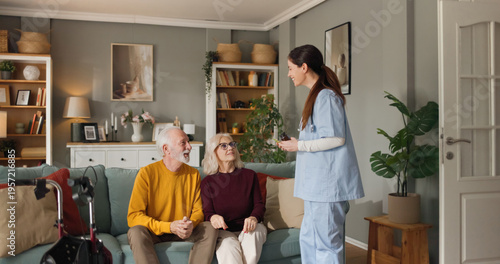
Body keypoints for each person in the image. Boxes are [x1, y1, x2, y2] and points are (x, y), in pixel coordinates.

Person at [278, 44, 365, 264]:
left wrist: (300, 146)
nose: (289, 73)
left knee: (326, 244)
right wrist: (299, 142)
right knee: (309, 239)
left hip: (326, 187)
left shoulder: (326, 97)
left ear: (304, 67)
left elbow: (337, 138)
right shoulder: (315, 97)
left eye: (290, 68)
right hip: (315, 187)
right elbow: (319, 137)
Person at [127, 127, 217, 264]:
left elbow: (199, 211)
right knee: (135, 232)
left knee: (209, 228)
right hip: (155, 231)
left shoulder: (193, 174)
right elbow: (133, 217)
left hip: (184, 231)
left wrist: (190, 224)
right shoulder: (146, 173)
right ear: (166, 149)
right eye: (183, 143)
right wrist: (168, 227)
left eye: (188, 142)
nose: (189, 147)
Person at [201, 133, 266, 264]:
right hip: (224, 232)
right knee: (228, 248)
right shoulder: (208, 182)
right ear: (214, 152)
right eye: (223, 146)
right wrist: (213, 217)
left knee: (254, 237)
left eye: (232, 144)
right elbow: (207, 213)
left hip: (250, 228)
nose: (230, 148)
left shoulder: (249, 175)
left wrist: (253, 217)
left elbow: (259, 204)